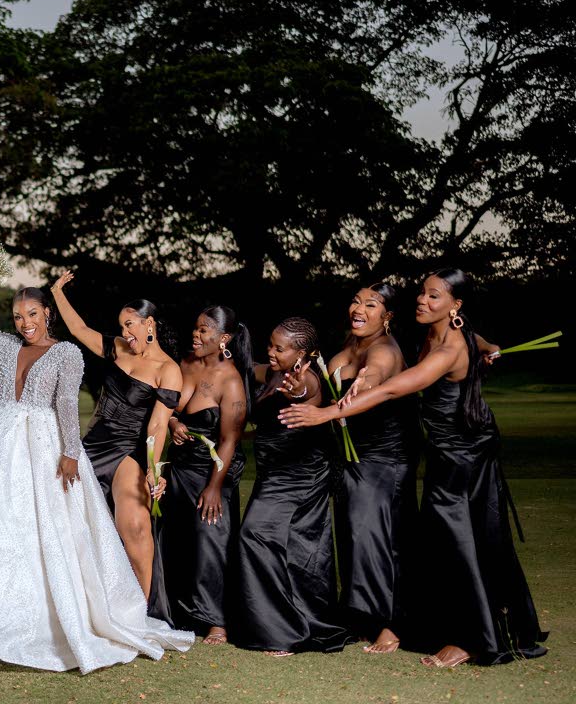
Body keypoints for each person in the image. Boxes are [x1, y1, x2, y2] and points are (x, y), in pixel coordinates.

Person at [0, 262, 193, 672]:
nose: (25, 322)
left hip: (42, 444)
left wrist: (70, 453)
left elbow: (67, 404)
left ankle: (40, 614)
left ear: (46, 313)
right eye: (18, 316)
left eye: (32, 314)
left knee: (42, 527)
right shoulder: (5, 346)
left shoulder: (66, 352)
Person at [280, 269, 548, 667]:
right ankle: (458, 624)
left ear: (455, 306)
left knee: (460, 539)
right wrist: (491, 345)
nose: (422, 301)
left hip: (467, 454)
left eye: (434, 296)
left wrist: (323, 415)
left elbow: (391, 388)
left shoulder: (447, 348)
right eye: (422, 294)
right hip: (443, 452)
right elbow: (476, 338)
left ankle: (475, 639)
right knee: (442, 541)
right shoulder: (437, 334)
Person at [49, 271, 182, 616]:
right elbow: (79, 331)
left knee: (135, 527)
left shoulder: (168, 370)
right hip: (92, 445)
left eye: (130, 325)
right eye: (122, 326)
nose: (125, 333)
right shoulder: (118, 348)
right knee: (67, 521)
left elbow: (157, 425)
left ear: (149, 323)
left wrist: (154, 470)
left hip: (128, 451)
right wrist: (56, 292)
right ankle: (76, 607)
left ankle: (146, 612)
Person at [234, 317, 351, 656]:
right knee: (295, 547)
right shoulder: (272, 371)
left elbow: (305, 396)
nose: (271, 352)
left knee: (255, 536)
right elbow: (254, 375)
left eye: (279, 348)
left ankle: (283, 631)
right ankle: (291, 620)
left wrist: (298, 391)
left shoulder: (308, 380)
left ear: (303, 354)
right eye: (270, 344)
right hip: (274, 472)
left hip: (299, 474)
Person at [321, 282, 417, 654]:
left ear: (387, 316)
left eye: (371, 304)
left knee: (376, 538)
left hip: (383, 457)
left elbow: (376, 375)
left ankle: (391, 624)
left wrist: (364, 382)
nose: (358, 308)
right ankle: (362, 615)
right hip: (349, 456)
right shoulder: (350, 345)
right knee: (351, 534)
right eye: (356, 301)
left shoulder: (384, 350)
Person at [159, 305, 250, 644]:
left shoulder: (231, 381)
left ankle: (217, 621)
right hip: (177, 466)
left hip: (211, 472)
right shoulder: (184, 364)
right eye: (195, 329)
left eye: (203, 331)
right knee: (175, 537)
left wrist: (214, 487)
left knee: (210, 540)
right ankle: (176, 612)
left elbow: (229, 440)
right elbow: (166, 407)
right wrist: (173, 422)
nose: (195, 336)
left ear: (224, 338)